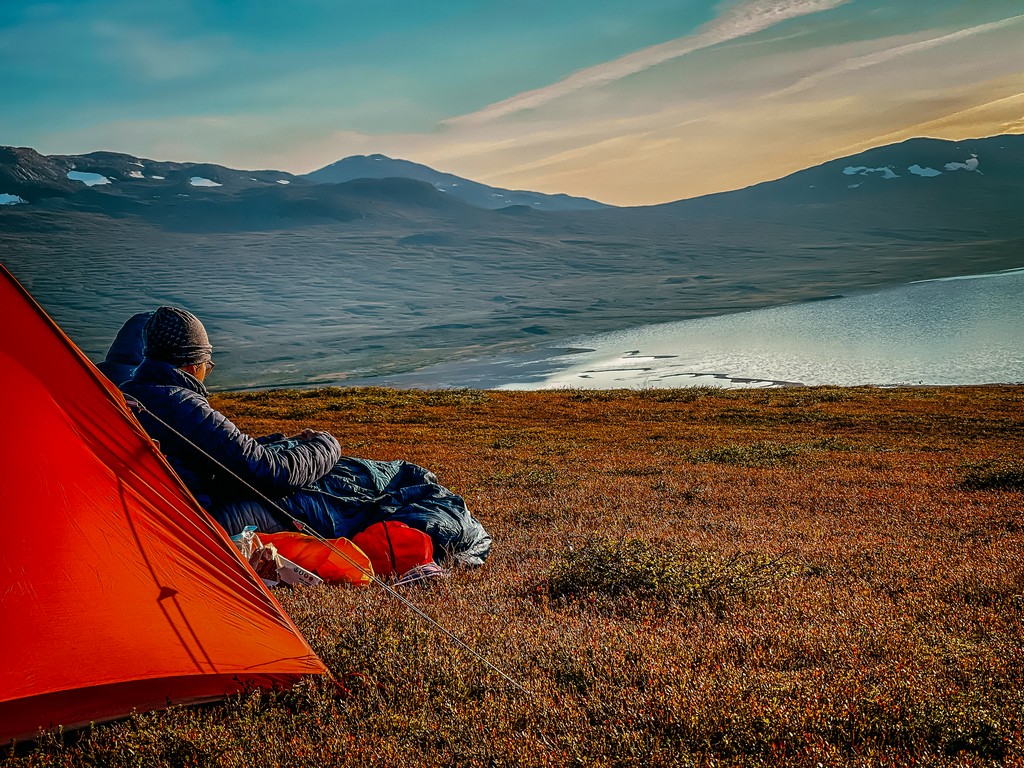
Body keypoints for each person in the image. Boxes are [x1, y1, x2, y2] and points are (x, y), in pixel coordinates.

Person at [120, 306, 492, 566]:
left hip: (178, 514)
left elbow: (226, 454)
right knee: (340, 500)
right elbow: (270, 471)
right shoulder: (177, 403)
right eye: (208, 365)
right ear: (193, 362)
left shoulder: (133, 393)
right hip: (206, 522)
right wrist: (324, 446)